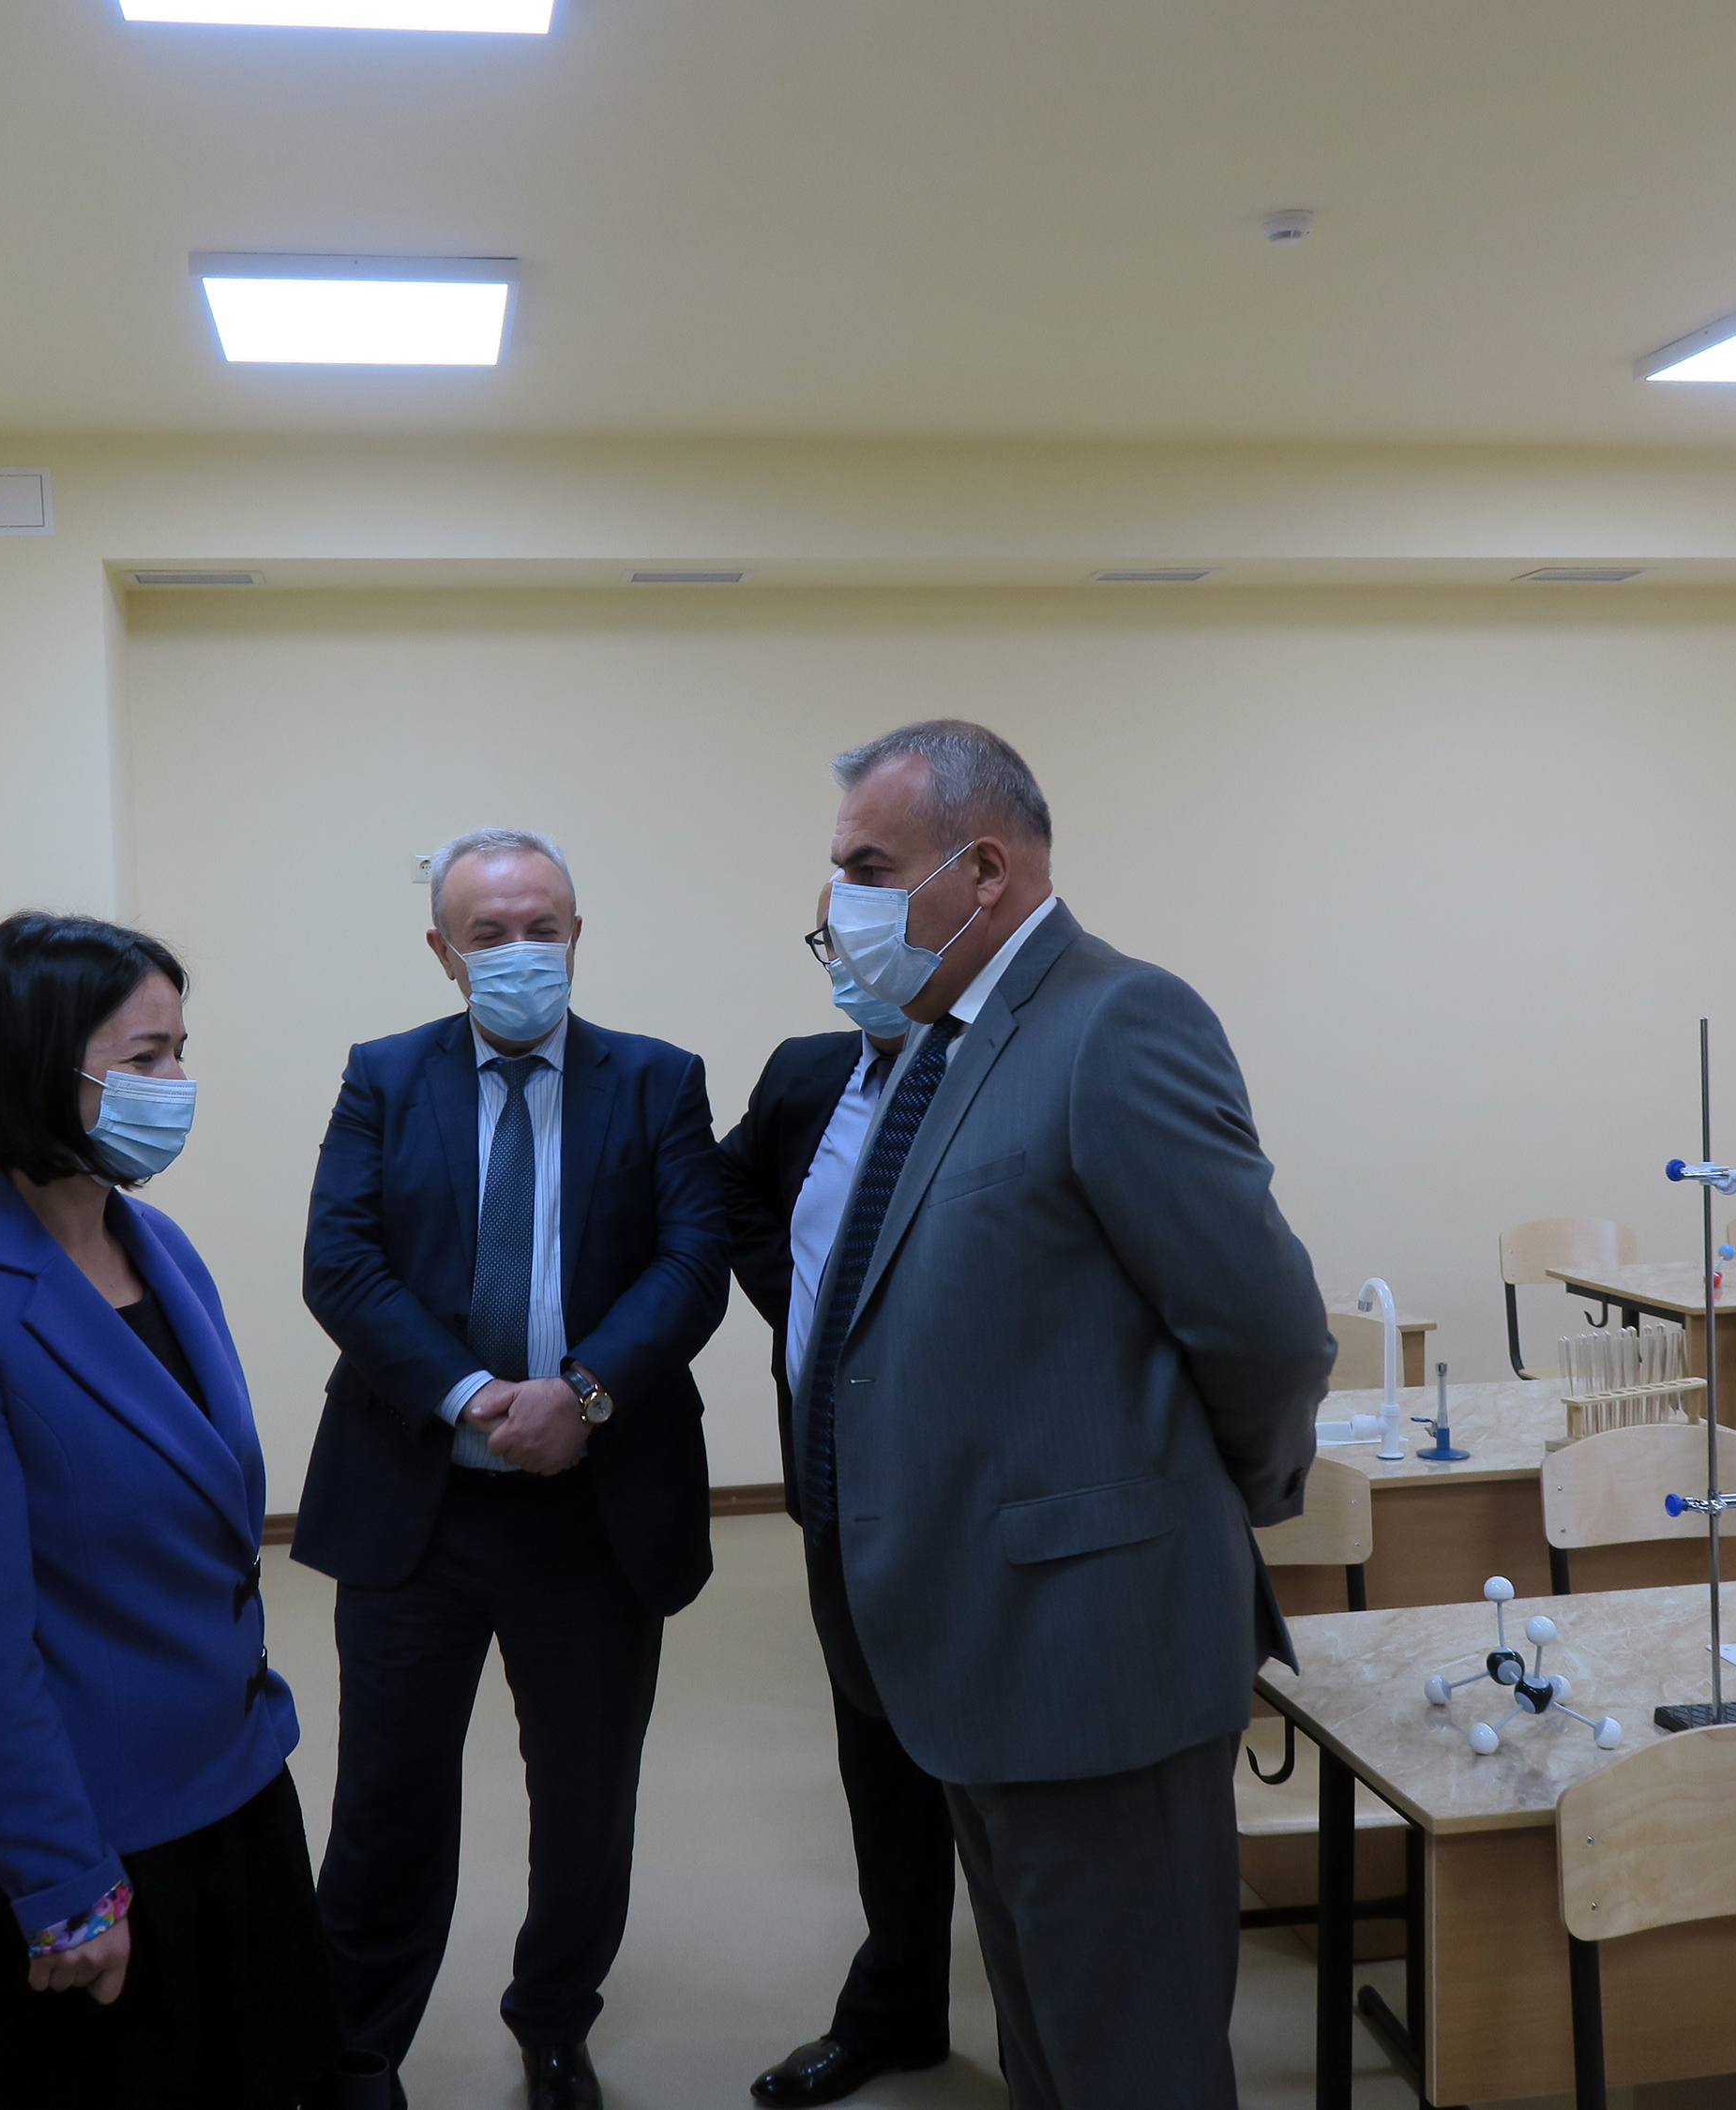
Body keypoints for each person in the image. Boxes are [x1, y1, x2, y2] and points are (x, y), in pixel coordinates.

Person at [793, 722, 1335, 2110]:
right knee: (1048, 2041)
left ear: (982, 870)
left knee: (1131, 2058)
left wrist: (1206, 1506)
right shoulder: (947, 1044)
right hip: (978, 1653)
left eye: (870, 867)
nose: (839, 901)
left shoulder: (1116, 1020)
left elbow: (1266, 1331)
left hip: (1097, 1653)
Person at [0, 912, 364, 2110]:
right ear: (36, 1066)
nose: (176, 1084)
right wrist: (63, 1888)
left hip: (232, 1788)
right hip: (89, 1841)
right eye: (145, 1058)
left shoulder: (159, 1247)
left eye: (180, 1052)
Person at [296, 829, 729, 2110]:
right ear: (444, 952)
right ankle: (357, 2050)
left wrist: (581, 1394)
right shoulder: (383, 1077)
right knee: (385, 1798)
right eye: (490, 933)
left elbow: (691, 1264)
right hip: (415, 1506)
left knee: (586, 1801)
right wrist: (474, 1395)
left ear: (577, 935)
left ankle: (552, 2021)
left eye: (544, 926)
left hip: (594, 1511)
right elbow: (342, 1262)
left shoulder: (657, 1081)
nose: (521, 950)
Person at [714, 912, 955, 2109]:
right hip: (836, 1482)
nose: (846, 965)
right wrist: (809, 1305)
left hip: (969, 1497)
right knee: (880, 1757)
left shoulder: (1003, 1077)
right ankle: (898, 2008)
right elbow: (728, 1192)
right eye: (828, 943)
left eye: (866, 923)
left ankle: (1063, 2034)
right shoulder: (805, 1075)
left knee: (998, 1775)